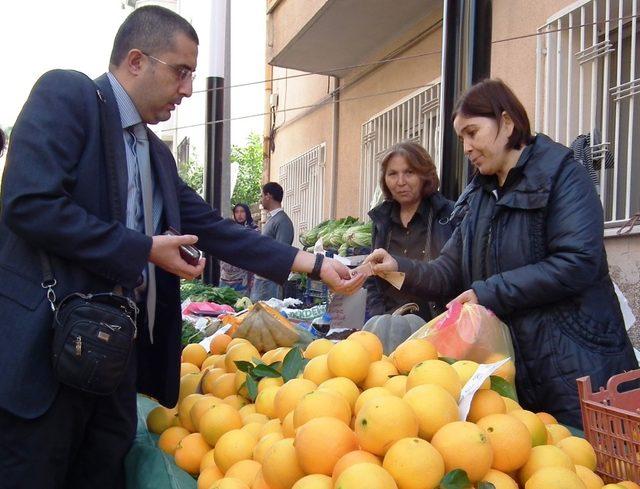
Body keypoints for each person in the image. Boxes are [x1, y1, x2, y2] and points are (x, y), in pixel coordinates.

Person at [0, 6, 363, 488]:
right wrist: (143, 248)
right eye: (182, 71)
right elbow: (29, 203)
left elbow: (213, 229)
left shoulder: (156, 155)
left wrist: (315, 264)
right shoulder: (68, 96)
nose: (189, 89)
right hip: (46, 360)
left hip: (112, 370)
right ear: (136, 61)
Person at [364, 79, 638, 428]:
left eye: (473, 132)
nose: (466, 146)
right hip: (516, 368)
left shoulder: (563, 175)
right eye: (461, 137)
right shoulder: (480, 196)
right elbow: (448, 269)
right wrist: (397, 267)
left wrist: (488, 292)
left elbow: (577, 262)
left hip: (576, 366)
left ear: (507, 123)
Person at [366, 141, 455, 321]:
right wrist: (380, 319)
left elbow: (451, 277)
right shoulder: (382, 221)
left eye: (409, 172)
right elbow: (373, 280)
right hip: (391, 325)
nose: (400, 182)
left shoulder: (448, 216)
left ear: (425, 175)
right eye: (392, 174)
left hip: (436, 325)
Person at [251, 182, 295, 301]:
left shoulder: (283, 221)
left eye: (262, 196)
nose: (261, 200)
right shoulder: (273, 219)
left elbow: (282, 253)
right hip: (263, 278)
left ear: (268, 196)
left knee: (267, 317)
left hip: (270, 281)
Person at [219, 203, 258, 296]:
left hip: (242, 277)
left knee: (240, 305)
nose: (239, 215)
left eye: (242, 211)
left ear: (247, 213)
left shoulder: (253, 231)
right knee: (223, 305)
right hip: (225, 276)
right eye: (236, 212)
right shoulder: (229, 229)